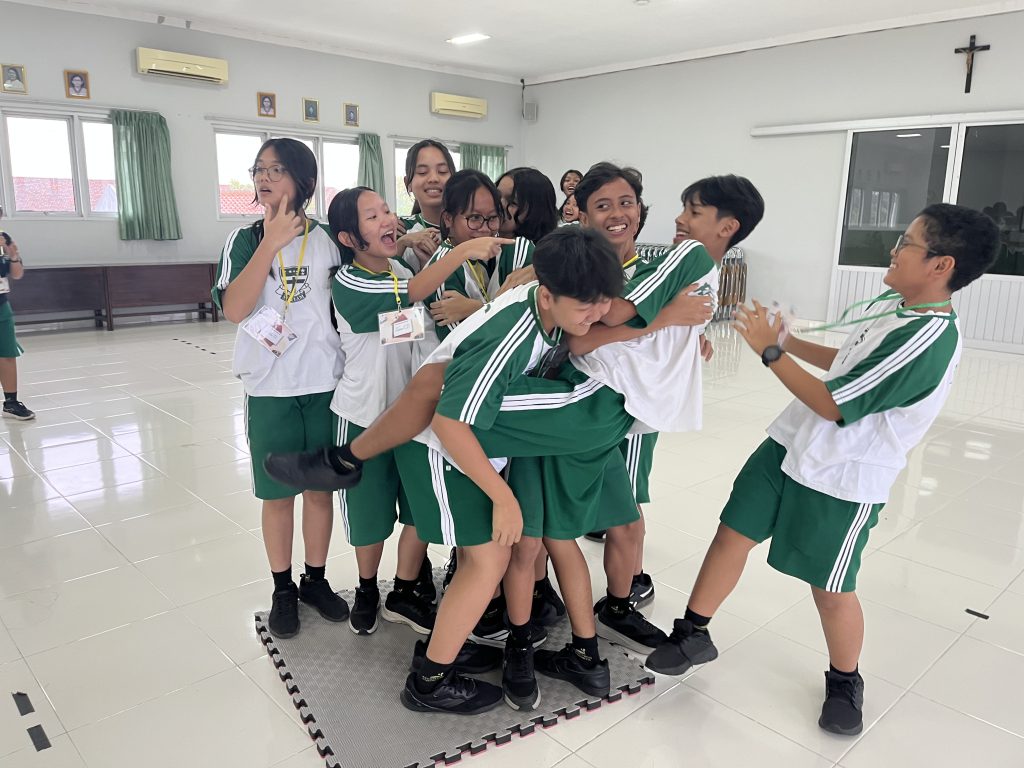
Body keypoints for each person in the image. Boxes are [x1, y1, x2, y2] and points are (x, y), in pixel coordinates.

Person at [645, 204, 1000, 736]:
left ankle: (845, 679)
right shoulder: (894, 304)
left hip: (844, 474)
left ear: (941, 265)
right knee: (732, 534)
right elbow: (847, 363)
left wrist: (771, 353)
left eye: (906, 243)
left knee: (830, 587)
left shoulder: (927, 340)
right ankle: (693, 632)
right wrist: (788, 343)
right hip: (790, 443)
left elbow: (835, 403)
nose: (894, 250)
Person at [396, 227, 625, 714]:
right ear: (548, 295)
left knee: (486, 559)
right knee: (488, 561)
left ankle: (445, 646)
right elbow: (449, 422)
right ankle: (429, 682)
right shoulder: (514, 331)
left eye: (604, 301)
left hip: (472, 447)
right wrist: (503, 497)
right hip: (441, 447)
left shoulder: (550, 313)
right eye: (586, 305)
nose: (597, 313)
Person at [325, 185, 512, 636]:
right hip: (364, 416)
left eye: (386, 210)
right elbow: (413, 293)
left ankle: (405, 590)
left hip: (411, 420)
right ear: (349, 238)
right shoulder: (349, 280)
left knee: (416, 511)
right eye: (372, 217)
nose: (388, 219)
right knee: (370, 517)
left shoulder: (398, 267)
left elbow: (422, 316)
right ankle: (366, 588)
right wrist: (460, 250)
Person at [211, 138, 348, 640]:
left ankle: (315, 580)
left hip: (325, 384)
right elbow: (234, 309)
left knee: (320, 490)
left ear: (304, 181)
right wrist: (270, 243)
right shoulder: (244, 240)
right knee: (278, 495)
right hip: (270, 388)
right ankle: (283, 588)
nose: (263, 178)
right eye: (258, 169)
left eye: (276, 169)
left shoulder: (330, 239)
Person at [423, 170, 534, 340]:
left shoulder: (488, 254)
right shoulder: (443, 271)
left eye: (492, 218)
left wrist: (478, 308)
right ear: (448, 219)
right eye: (474, 218)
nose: (485, 228)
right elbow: (467, 346)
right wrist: (488, 308)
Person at [395, 140, 455, 270]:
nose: (433, 178)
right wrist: (401, 242)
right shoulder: (398, 229)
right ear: (408, 183)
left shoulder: (470, 226)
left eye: (442, 171)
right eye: (422, 172)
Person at [0, 210, 33, 421]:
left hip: (1, 305)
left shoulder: (4, 238)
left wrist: (13, 255)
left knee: (7, 354)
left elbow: (17, 274)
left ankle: (11, 402)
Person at [496, 167, 559, 244]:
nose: (500, 204)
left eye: (512, 202)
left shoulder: (534, 249)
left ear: (536, 212)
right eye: (497, 195)